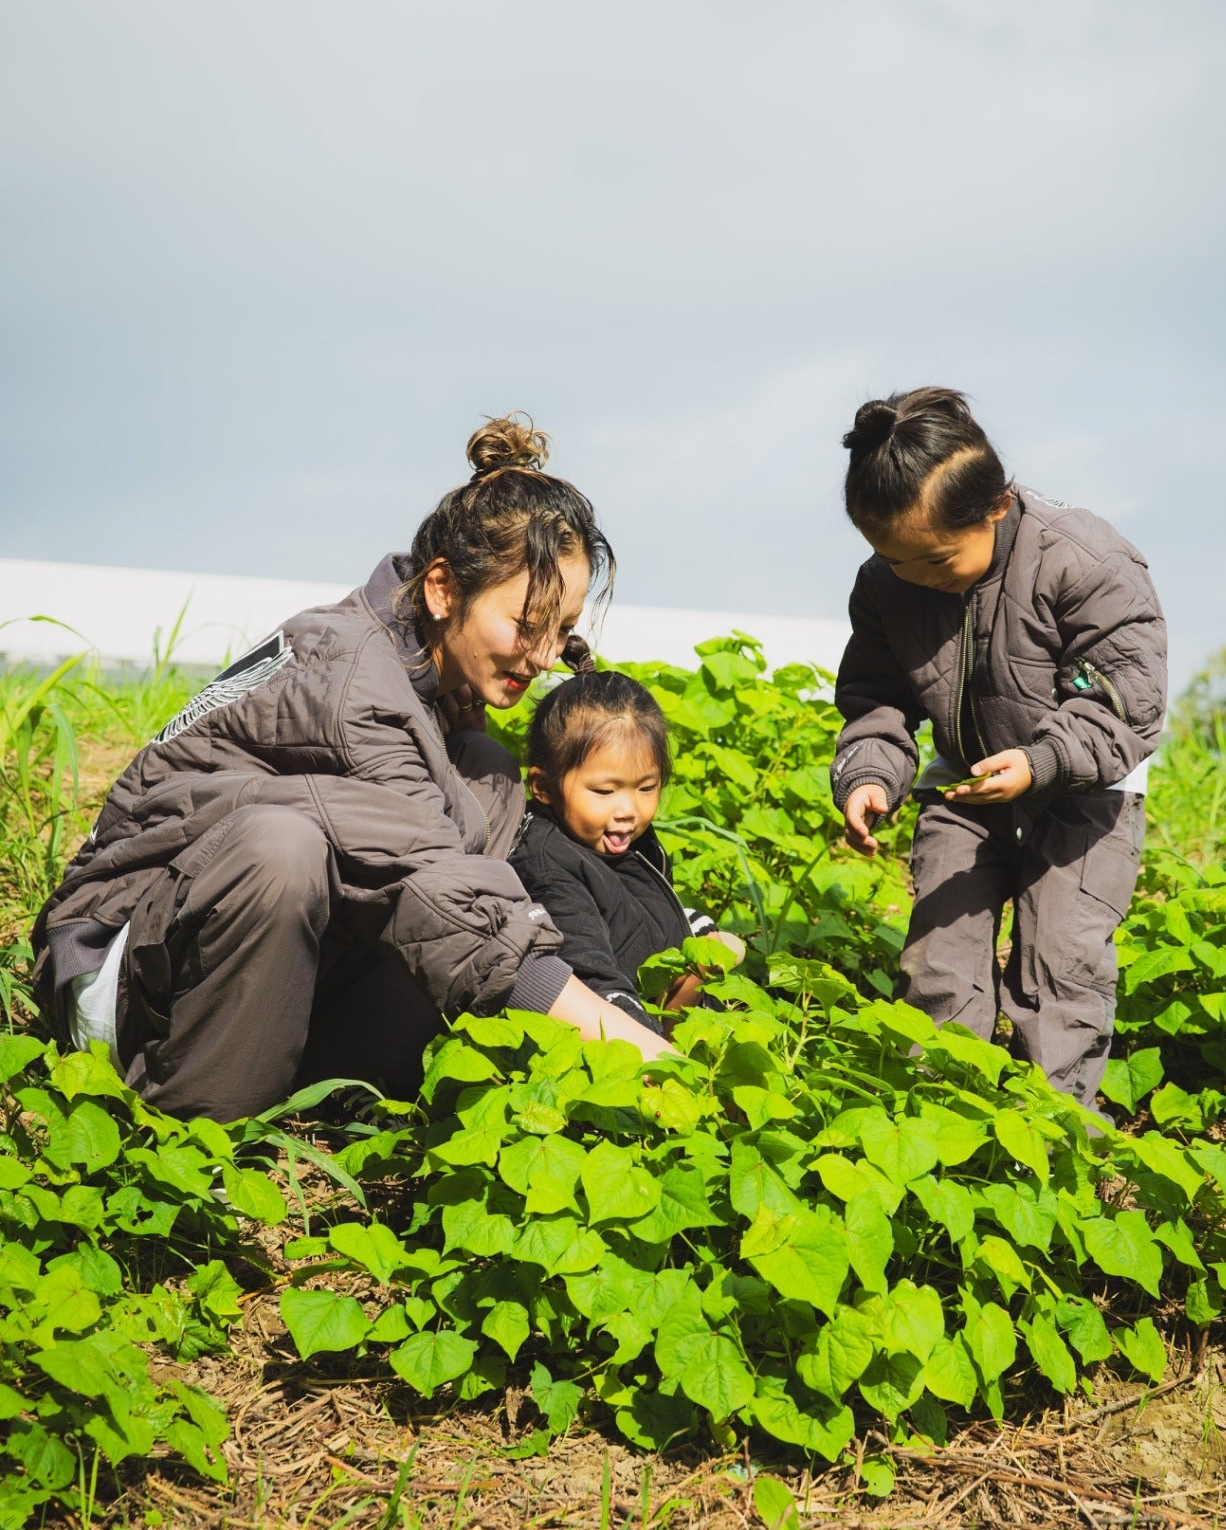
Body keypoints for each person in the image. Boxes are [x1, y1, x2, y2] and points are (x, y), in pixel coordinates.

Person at [31, 417, 670, 1121]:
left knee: (482, 776)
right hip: (119, 970)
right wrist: (640, 1056)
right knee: (282, 849)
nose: (547, 656)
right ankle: (199, 1134)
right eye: (526, 625)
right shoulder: (353, 685)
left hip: (232, 965)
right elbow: (439, 888)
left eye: (563, 628)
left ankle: (336, 1095)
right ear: (440, 589)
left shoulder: (424, 667)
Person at [830, 388, 1166, 1109]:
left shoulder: (1082, 560)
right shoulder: (887, 582)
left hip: (1084, 791)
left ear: (995, 506)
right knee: (938, 967)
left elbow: (1127, 702)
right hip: (963, 785)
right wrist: (870, 772)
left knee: (1059, 970)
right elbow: (877, 695)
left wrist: (1041, 761)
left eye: (935, 561)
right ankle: (942, 1121)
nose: (913, 577)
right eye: (892, 559)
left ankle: (1055, 1137)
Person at [510, 669, 744, 1027]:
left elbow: (648, 909)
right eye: (605, 792)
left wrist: (696, 931)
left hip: (648, 993)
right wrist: (648, 1044)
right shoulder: (550, 867)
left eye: (646, 788)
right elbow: (589, 975)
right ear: (543, 786)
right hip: (613, 1021)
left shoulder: (622, 841)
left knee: (725, 945)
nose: (629, 811)